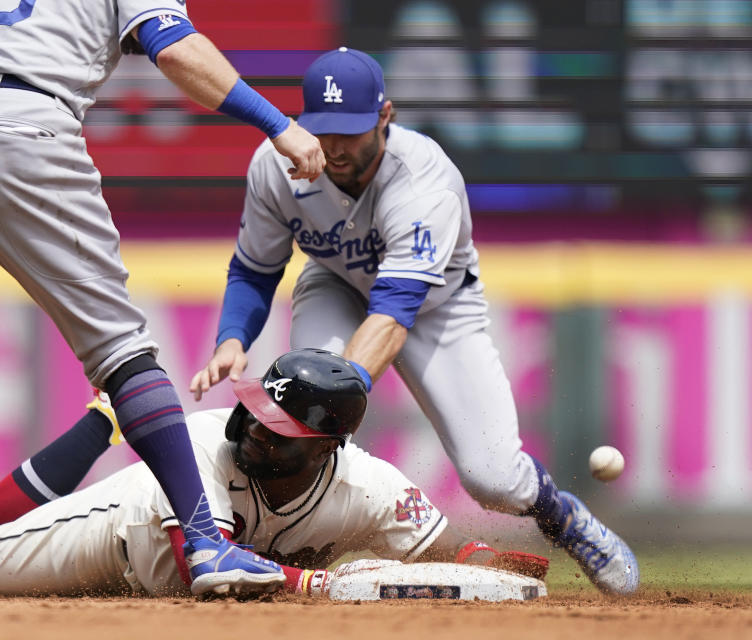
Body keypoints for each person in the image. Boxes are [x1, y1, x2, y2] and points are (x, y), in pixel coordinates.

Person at [0, 0, 327, 597]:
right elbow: (174, 49)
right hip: (24, 124)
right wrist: (280, 124)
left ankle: (206, 542)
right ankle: (205, 544)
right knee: (121, 352)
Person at [189, 47, 639, 596]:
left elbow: (395, 312)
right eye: (322, 130)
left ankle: (564, 517)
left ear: (385, 117)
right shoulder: (276, 164)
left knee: (492, 477)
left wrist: (332, 397)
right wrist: (232, 338)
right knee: (303, 430)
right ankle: (272, 551)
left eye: (350, 131)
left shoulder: (425, 178)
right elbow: (255, 269)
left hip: (436, 309)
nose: (333, 148)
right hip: (333, 285)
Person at [0, 349, 548, 598]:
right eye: (259, 413)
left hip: (142, 583)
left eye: (279, 428)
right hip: (115, 532)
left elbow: (456, 551)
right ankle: (103, 420)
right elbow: (208, 571)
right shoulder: (202, 443)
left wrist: (515, 574)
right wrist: (319, 586)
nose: (256, 430)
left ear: (327, 447)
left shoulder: (370, 486)